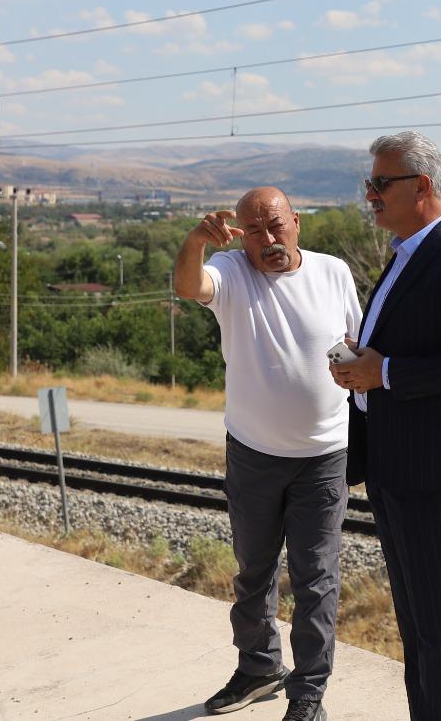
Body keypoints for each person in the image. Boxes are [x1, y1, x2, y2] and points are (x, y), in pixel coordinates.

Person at [327, 131, 441, 721]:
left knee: (438, 620)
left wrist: (386, 371)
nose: (370, 195)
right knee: (413, 618)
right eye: (369, 184)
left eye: (380, 183)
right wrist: (362, 363)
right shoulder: (404, 254)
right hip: (394, 462)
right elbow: (399, 350)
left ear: (422, 186)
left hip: (430, 468)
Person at [175, 186, 361, 721]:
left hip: (325, 455)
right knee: (253, 572)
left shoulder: (334, 272)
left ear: (296, 221)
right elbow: (190, 285)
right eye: (253, 230)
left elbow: (353, 343)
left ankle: (307, 697)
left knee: (316, 578)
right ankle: (258, 668)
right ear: (240, 234)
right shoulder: (233, 271)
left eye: (275, 225)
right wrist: (196, 242)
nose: (267, 239)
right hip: (254, 452)